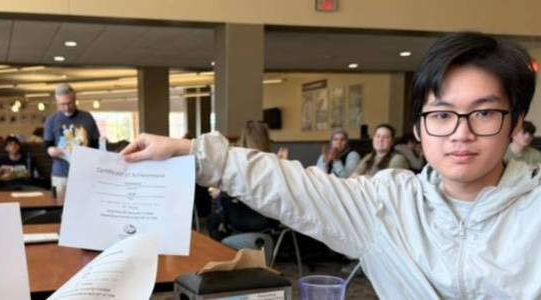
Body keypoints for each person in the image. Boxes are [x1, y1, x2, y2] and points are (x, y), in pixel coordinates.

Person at [120, 32, 541, 298]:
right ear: (419, 127)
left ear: (515, 124)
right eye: (443, 114)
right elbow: (289, 186)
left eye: (484, 113)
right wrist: (189, 152)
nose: (460, 133)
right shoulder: (386, 205)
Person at [43, 83, 100, 194]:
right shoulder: (51, 120)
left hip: (85, 174)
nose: (66, 107)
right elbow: (47, 146)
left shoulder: (87, 117)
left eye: (69, 103)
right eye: (62, 104)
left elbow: (95, 144)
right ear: (57, 102)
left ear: (75, 99)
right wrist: (51, 151)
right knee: (60, 208)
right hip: (61, 175)